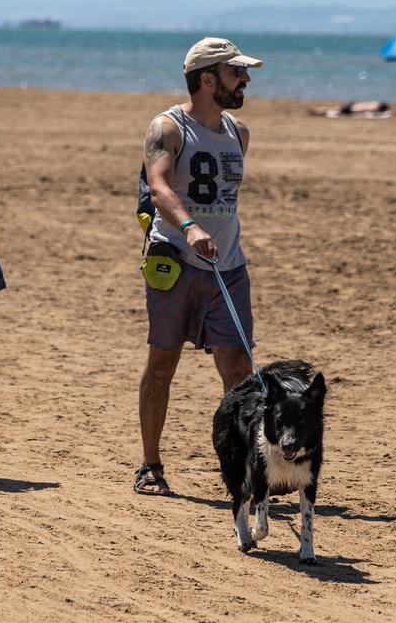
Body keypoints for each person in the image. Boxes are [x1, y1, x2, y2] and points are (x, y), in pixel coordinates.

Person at [135, 36, 261, 496]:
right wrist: (189, 227)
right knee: (163, 363)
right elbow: (158, 186)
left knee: (238, 370)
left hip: (229, 267)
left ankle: (244, 470)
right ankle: (150, 465)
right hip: (178, 264)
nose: (245, 79)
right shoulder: (168, 129)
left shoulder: (239, 132)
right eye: (236, 72)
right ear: (207, 79)